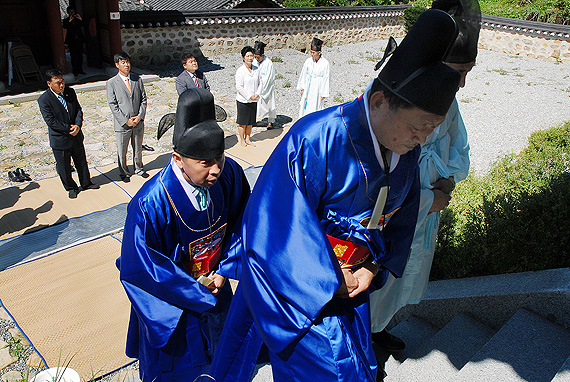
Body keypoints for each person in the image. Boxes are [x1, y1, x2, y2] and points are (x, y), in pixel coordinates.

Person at [211, 9, 461, 382]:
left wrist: (372, 266)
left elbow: (401, 219)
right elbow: (275, 225)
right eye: (416, 127)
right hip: (297, 289)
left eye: (430, 130)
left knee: (358, 368)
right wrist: (328, 277)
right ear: (378, 102)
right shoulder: (315, 138)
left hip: (353, 281)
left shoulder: (406, 150)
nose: (421, 140)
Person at [117, 88, 251, 382]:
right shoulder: (149, 204)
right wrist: (194, 292)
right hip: (174, 304)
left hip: (215, 286)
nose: (216, 169)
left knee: (222, 359)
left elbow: (245, 222)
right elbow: (140, 269)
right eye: (205, 162)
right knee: (179, 369)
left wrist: (226, 265)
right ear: (178, 158)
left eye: (220, 157)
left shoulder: (228, 175)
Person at [369, 0, 480, 353]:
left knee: (406, 279)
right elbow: (378, 182)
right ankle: (365, 337)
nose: (459, 85)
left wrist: (448, 180)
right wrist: (430, 199)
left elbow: (456, 148)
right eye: (455, 72)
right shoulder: (395, 99)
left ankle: (381, 327)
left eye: (467, 74)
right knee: (379, 275)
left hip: (429, 203)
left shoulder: (450, 104)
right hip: (404, 208)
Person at [38, 69, 99, 199]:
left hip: (76, 135)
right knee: (64, 166)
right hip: (60, 139)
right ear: (49, 84)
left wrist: (77, 125)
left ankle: (86, 182)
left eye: (63, 82)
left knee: (81, 161)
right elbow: (51, 121)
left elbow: (78, 110)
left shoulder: (70, 92)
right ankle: (71, 187)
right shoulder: (44, 100)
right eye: (58, 83)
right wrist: (68, 129)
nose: (61, 85)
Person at [106, 51, 148, 182]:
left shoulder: (137, 79)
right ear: (117, 65)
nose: (126, 65)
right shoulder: (112, 83)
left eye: (128, 62)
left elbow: (143, 99)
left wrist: (140, 116)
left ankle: (139, 168)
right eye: (123, 62)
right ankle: (124, 172)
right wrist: (125, 120)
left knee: (138, 147)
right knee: (122, 150)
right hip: (123, 123)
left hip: (137, 121)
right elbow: (113, 104)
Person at [235, 46, 262, 147]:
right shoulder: (240, 71)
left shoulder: (256, 69)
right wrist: (249, 96)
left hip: (254, 99)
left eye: (251, 56)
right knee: (243, 122)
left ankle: (248, 138)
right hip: (243, 99)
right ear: (243, 57)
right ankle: (242, 139)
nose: (250, 58)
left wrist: (257, 94)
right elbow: (239, 87)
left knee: (250, 122)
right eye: (248, 56)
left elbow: (260, 83)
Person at [297, 37, 330, 118]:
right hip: (308, 87)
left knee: (316, 107)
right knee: (305, 106)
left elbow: (327, 78)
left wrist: (324, 93)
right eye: (311, 52)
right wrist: (302, 87)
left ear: (319, 52)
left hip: (318, 88)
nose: (312, 54)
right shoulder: (308, 61)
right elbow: (303, 74)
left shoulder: (325, 63)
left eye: (313, 52)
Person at [253, 41, 277, 129]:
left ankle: (270, 121)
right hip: (257, 85)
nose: (256, 59)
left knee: (269, 103)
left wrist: (262, 88)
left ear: (262, 55)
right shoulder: (255, 62)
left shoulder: (268, 63)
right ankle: (253, 119)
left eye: (258, 57)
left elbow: (269, 77)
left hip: (267, 87)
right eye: (255, 57)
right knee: (255, 103)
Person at [62, 7, 86, 76]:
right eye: (70, 11)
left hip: (79, 39)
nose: (72, 13)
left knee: (80, 55)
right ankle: (74, 70)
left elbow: (84, 24)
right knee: (73, 55)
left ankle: (80, 69)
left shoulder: (77, 19)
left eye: (73, 11)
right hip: (71, 40)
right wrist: (70, 20)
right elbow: (65, 26)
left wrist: (80, 18)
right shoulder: (66, 20)